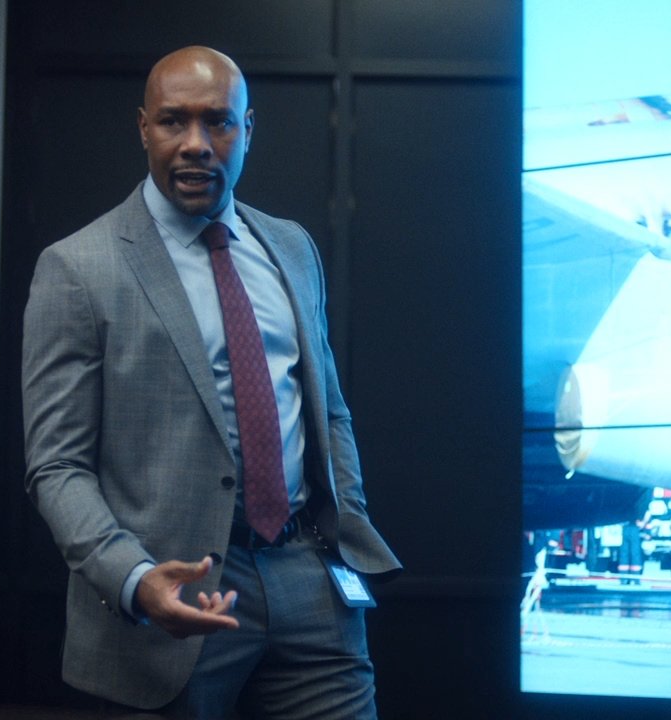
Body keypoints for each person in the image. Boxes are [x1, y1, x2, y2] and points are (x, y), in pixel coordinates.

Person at [21, 46, 401, 719]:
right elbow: (57, 467)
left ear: (247, 130)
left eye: (218, 121)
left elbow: (329, 412)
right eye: (174, 121)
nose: (196, 143)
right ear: (144, 128)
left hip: (310, 582)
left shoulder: (291, 248)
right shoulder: (78, 269)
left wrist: (346, 524)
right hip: (173, 598)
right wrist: (134, 579)